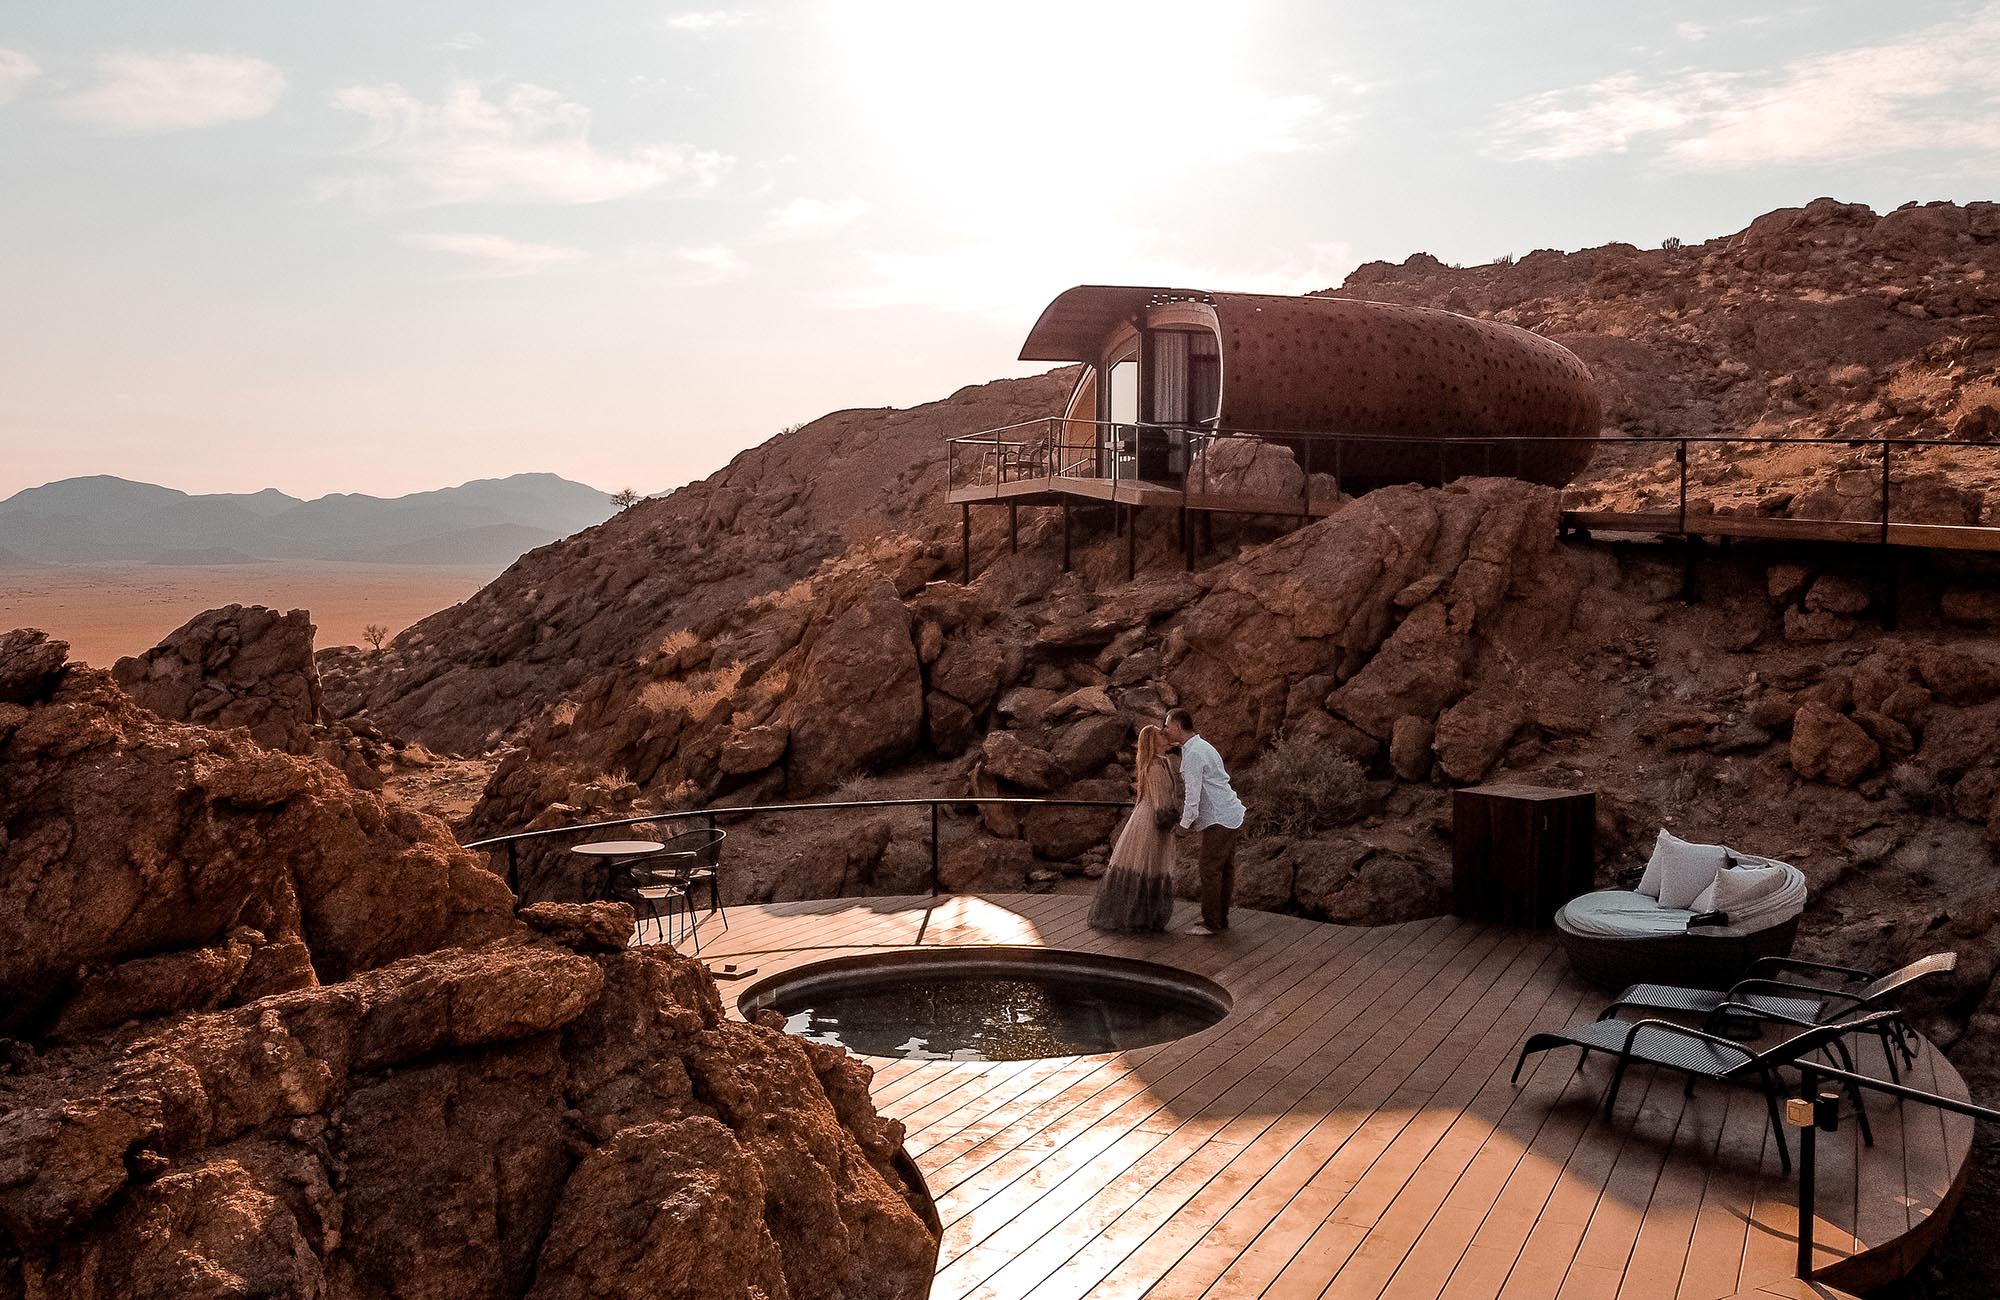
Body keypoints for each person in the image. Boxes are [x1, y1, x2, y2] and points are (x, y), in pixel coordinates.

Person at [1088, 724, 1183, 932]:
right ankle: (1138, 916)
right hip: (1151, 821)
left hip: (1149, 818)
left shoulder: (1161, 762)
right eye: (1160, 734)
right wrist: (1174, 822)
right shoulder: (1156, 766)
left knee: (1149, 865)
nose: (1164, 734)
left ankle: (1141, 915)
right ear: (1152, 741)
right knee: (1147, 865)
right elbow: (1161, 803)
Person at [1163, 707, 1245, 935]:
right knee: (1224, 869)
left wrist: (1183, 824)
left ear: (1178, 727)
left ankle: (1211, 923)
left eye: (1167, 726)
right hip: (1230, 813)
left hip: (1219, 817)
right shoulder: (1203, 746)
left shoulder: (1194, 754)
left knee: (1209, 869)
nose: (1165, 730)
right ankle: (1220, 919)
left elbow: (1193, 795)